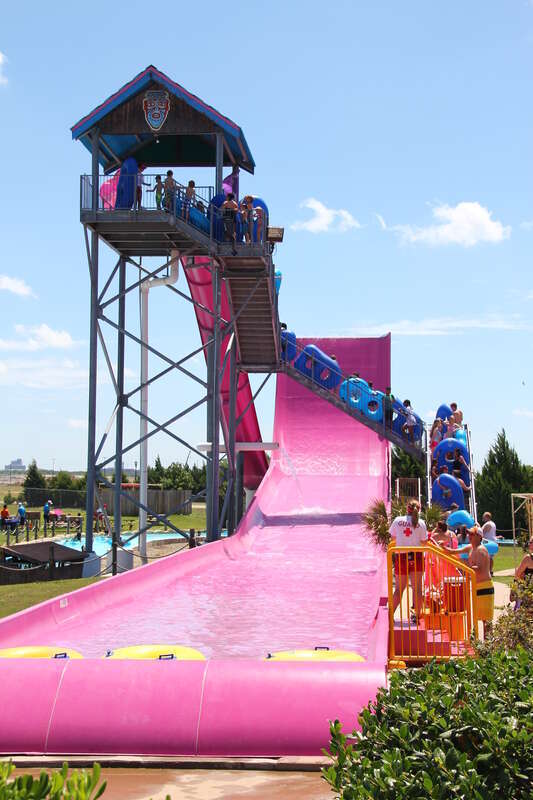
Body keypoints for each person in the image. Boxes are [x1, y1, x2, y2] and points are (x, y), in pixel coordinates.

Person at [389, 499, 428, 620]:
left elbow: (393, 537)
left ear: (407, 508)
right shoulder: (421, 523)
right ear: (419, 510)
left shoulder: (398, 521)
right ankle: (417, 615)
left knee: (399, 589)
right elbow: (424, 541)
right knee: (417, 588)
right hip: (416, 556)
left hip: (401, 556)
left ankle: (390, 616)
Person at [466, 526, 494, 637]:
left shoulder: (481, 549)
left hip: (485, 586)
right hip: (477, 587)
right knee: (481, 618)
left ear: (479, 536)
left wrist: (465, 567)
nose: (469, 536)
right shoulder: (471, 548)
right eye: (469, 534)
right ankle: (484, 646)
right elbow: (454, 551)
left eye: (472, 534)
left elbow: (480, 568)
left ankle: (488, 646)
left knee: (486, 620)